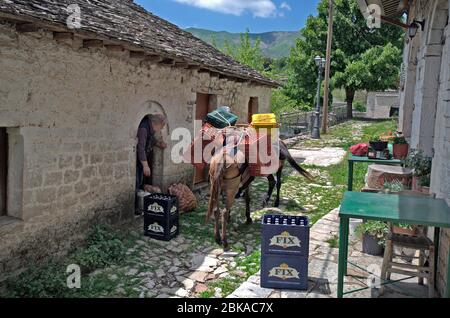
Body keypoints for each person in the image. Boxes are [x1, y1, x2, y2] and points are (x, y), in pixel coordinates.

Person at [135, 114, 168, 214]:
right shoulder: (143, 129)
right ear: (157, 124)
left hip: (141, 161)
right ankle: (136, 208)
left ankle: (140, 206)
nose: (161, 129)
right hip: (138, 162)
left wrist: (158, 144)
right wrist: (145, 165)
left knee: (139, 182)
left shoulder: (150, 129)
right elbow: (140, 148)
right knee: (136, 183)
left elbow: (150, 140)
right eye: (162, 126)